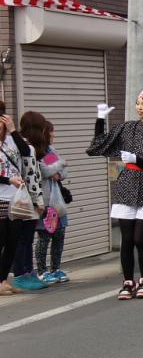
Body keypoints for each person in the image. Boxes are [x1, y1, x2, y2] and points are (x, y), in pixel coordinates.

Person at [87, 91, 143, 300]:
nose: (139, 107)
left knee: (140, 238)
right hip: (126, 186)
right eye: (137, 104)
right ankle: (127, 282)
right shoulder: (127, 128)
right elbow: (100, 145)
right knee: (126, 239)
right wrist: (100, 120)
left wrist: (137, 159)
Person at [0, 110, 39, 295]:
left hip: (15, 200)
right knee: (1, 240)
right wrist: (9, 181)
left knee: (12, 242)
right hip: (0, 198)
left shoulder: (11, 140)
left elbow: (26, 153)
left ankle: (2, 281)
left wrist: (14, 131)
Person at [11, 111, 46, 291]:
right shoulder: (29, 148)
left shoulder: (17, 145)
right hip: (28, 201)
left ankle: (27, 272)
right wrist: (38, 202)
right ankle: (22, 274)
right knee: (24, 240)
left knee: (23, 239)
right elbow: (33, 177)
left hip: (17, 198)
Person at [35, 120, 70, 284]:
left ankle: (56, 268)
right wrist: (59, 165)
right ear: (44, 133)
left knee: (60, 234)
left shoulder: (50, 151)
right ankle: (41, 271)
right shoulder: (37, 152)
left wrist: (57, 170)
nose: (53, 134)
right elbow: (45, 170)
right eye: (51, 131)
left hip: (58, 203)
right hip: (45, 202)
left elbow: (63, 173)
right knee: (44, 236)